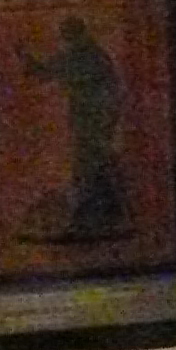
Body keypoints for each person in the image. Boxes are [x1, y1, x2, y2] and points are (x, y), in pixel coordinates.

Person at [22, 14, 132, 242]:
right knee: (96, 165)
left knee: (90, 167)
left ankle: (92, 220)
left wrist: (26, 58)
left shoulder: (86, 56)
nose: (66, 40)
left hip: (94, 121)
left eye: (67, 36)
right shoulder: (85, 54)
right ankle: (108, 217)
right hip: (91, 120)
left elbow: (44, 71)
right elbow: (44, 71)